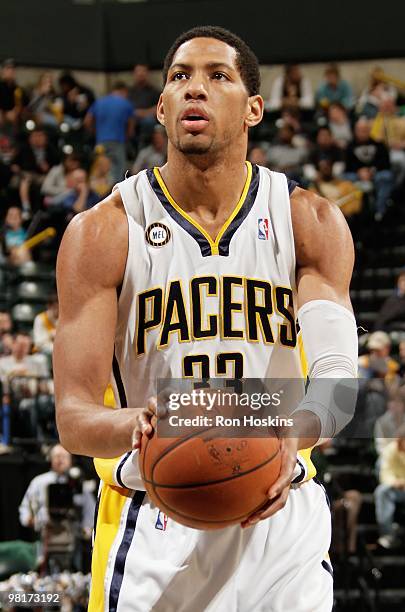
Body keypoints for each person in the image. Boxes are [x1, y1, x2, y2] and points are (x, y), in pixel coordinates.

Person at [54, 26, 358, 612]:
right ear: (161, 108)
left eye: (217, 76)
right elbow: (73, 418)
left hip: (280, 519)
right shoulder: (102, 232)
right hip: (154, 523)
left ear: (253, 109)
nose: (196, 89)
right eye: (179, 77)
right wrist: (139, 427)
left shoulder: (309, 221)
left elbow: (339, 385)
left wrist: (285, 439)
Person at [344, 118, 394, 221]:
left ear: (369, 130)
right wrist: (359, 171)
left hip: (376, 174)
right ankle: (351, 212)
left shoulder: (379, 145)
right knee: (344, 178)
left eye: (365, 130)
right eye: (360, 130)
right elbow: (347, 166)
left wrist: (371, 171)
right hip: (356, 175)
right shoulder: (349, 147)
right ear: (355, 131)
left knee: (386, 176)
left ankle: (380, 210)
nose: (362, 133)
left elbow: (385, 163)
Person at [85, 82, 134, 183]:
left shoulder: (99, 102)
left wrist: (95, 133)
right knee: (118, 172)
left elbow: (87, 121)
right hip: (117, 142)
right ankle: (115, 196)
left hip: (101, 143)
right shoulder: (126, 103)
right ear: (123, 91)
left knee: (100, 171)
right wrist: (127, 137)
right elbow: (131, 127)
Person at [374, 424, 405, 549]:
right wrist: (397, 482)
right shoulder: (391, 450)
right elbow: (385, 474)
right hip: (398, 489)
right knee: (382, 492)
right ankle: (387, 534)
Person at [374, 267, 405, 331]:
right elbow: (381, 320)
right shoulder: (392, 300)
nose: (403, 284)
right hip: (387, 332)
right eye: (401, 281)